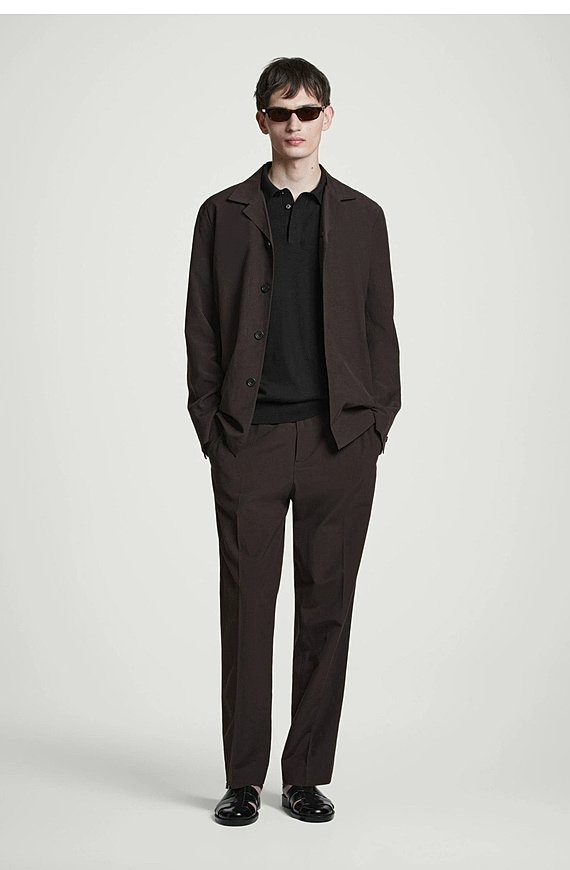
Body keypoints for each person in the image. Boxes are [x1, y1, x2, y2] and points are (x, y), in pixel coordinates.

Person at [184, 56, 401, 826]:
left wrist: (375, 424)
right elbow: (202, 326)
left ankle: (305, 775)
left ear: (328, 117)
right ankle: (243, 779)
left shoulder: (364, 216)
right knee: (247, 611)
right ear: (262, 121)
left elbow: (380, 328)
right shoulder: (223, 214)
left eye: (308, 111)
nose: (295, 125)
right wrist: (212, 425)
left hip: (341, 441)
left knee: (326, 610)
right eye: (282, 112)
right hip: (250, 440)